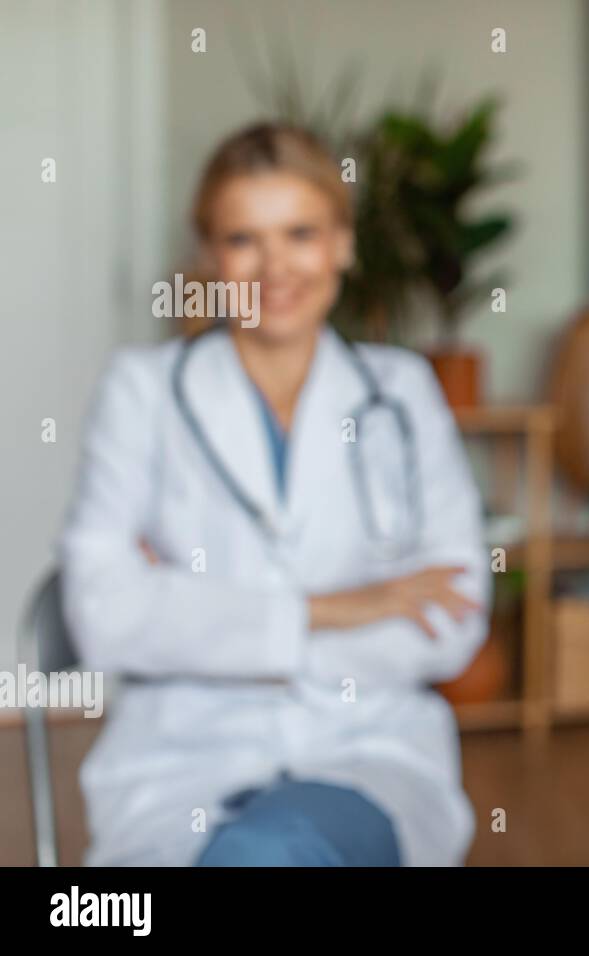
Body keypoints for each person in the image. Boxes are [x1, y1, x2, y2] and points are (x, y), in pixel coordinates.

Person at [59, 122, 491, 866]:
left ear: (343, 244)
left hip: (364, 752)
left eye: (301, 232)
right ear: (208, 257)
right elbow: (101, 615)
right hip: (179, 762)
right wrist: (335, 609)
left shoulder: (402, 392)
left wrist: (203, 627)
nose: (274, 268)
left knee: (271, 852)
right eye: (242, 240)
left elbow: (454, 619)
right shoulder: (144, 392)